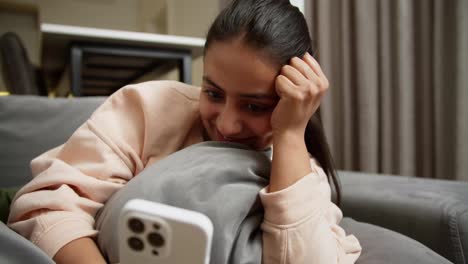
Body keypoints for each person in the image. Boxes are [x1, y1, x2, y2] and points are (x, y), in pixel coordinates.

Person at [8, 0, 362, 263]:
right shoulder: (149, 110)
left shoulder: (303, 170)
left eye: (255, 106)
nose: (226, 124)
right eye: (213, 93)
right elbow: (49, 210)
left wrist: (289, 135)